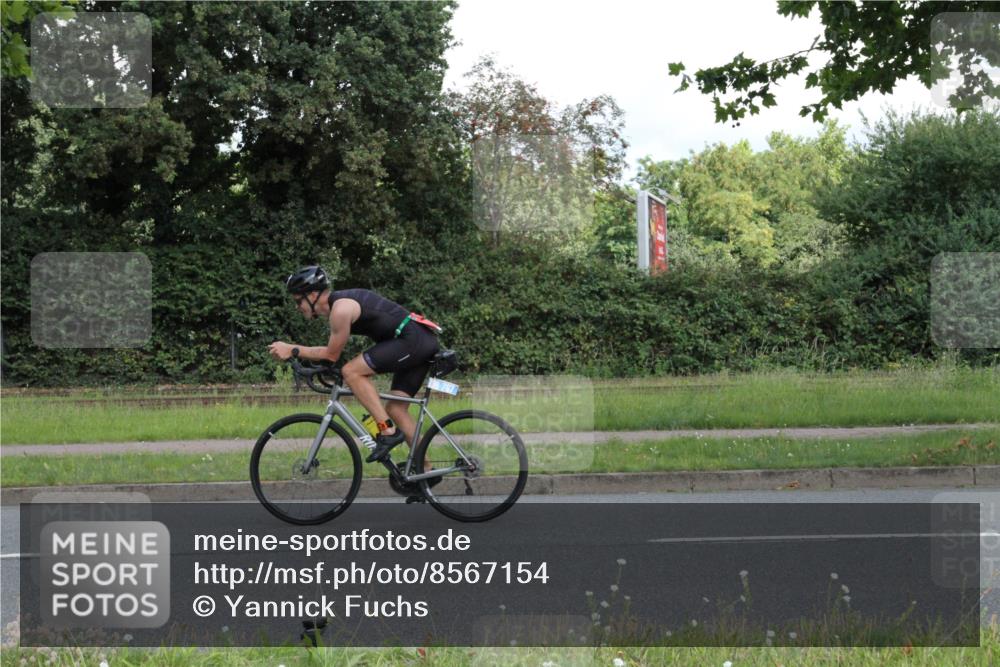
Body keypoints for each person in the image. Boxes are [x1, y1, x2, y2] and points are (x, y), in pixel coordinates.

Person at [268, 266, 441, 465]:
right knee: (396, 409)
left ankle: (387, 430)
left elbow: (331, 355)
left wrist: (292, 349)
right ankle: (425, 471)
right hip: (418, 340)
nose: (298, 307)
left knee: (351, 371)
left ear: (313, 295)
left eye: (299, 301)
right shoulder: (339, 306)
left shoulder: (340, 310)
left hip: (412, 341)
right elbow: (330, 353)